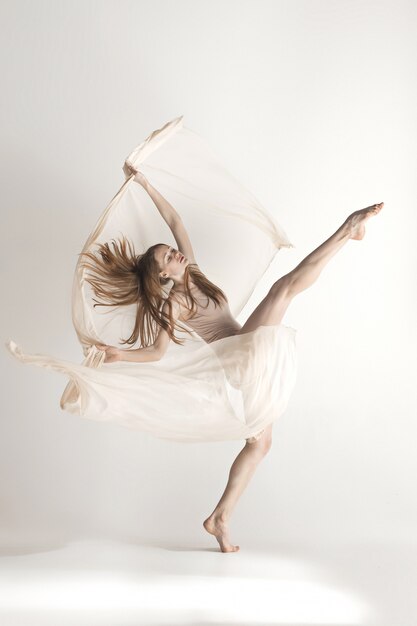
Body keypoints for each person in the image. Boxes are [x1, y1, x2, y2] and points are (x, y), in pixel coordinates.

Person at [86, 165, 383, 552]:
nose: (175, 253)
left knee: (260, 444)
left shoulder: (193, 271)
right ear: (162, 277)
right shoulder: (176, 303)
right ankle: (348, 229)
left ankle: (219, 518)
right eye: (168, 258)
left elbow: (175, 219)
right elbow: (157, 352)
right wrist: (118, 355)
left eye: (170, 250)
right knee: (282, 289)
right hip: (238, 357)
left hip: (243, 356)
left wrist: (144, 182)